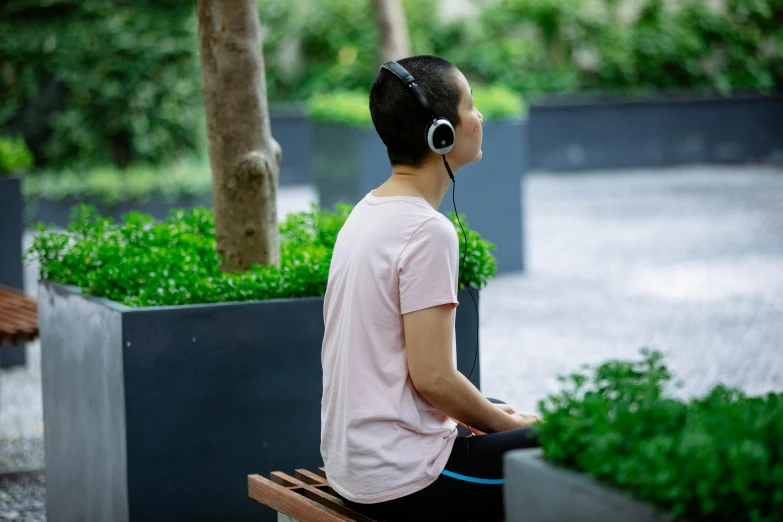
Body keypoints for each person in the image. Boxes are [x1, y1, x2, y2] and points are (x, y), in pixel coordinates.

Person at [320, 55, 540, 522]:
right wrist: (508, 426)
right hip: (402, 481)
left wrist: (498, 420)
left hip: (354, 465)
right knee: (560, 446)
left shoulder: (366, 211)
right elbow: (434, 379)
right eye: (471, 106)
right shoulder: (426, 231)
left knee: (499, 412)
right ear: (442, 132)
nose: (479, 118)